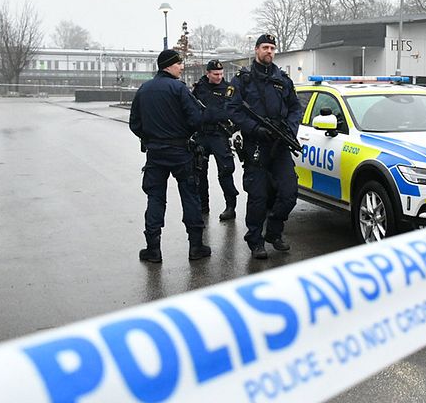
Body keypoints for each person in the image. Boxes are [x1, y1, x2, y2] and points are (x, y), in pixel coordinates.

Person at [129, 49, 211, 262]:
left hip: (155, 153)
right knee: (190, 197)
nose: (182, 67)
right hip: (181, 153)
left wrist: (151, 137)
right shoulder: (179, 89)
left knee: (155, 198)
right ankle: (195, 247)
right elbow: (196, 119)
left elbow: (134, 124)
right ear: (168, 65)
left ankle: (153, 249)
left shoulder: (144, 90)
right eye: (179, 64)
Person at [228, 34, 302, 260]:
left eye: (272, 48)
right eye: (265, 47)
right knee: (258, 196)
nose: (269, 51)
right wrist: (254, 129)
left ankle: (274, 232)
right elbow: (232, 110)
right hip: (256, 145)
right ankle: (255, 240)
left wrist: (289, 130)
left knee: (289, 194)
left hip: (280, 145)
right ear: (256, 50)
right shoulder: (243, 80)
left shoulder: (283, 80)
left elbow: (295, 109)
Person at [191, 59, 239, 221]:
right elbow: (191, 110)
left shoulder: (228, 90)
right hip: (202, 135)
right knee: (199, 172)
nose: (219, 77)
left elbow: (235, 111)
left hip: (220, 135)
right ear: (208, 73)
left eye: (221, 73)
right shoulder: (199, 88)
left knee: (225, 171)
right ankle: (203, 206)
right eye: (215, 74)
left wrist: (231, 126)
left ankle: (230, 206)